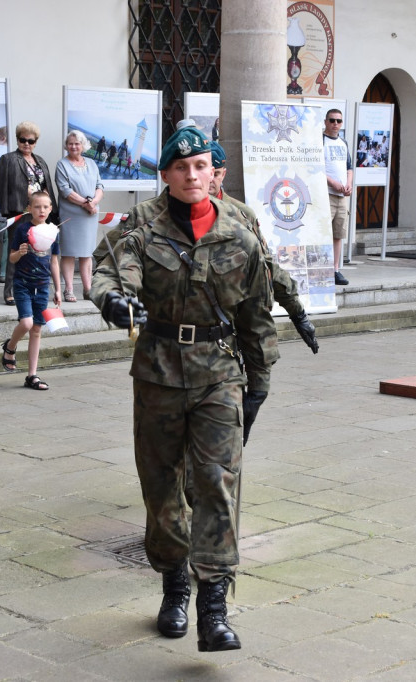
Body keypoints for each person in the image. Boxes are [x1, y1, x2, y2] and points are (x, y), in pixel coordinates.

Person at [89, 126, 279, 652]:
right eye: (181, 167)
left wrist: (259, 380)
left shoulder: (239, 236)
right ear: (167, 174)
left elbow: (257, 314)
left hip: (220, 373)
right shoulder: (142, 227)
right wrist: (114, 301)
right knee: (162, 489)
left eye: (200, 166)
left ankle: (213, 609)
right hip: (158, 375)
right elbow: (113, 271)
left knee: (217, 483)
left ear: (212, 172)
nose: (192, 175)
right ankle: (174, 586)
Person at [207, 139, 318, 354]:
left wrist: (298, 313)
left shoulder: (241, 214)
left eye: (216, 173)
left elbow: (266, 264)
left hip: (231, 320)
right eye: (206, 172)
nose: (210, 180)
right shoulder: (166, 216)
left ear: (223, 174)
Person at [0, 191, 61, 390]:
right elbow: (11, 258)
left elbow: (54, 261)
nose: (41, 210)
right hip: (23, 284)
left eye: (45, 207)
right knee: (26, 323)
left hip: (42, 286)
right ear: (29, 209)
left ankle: (32, 375)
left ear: (50, 209)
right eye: (37, 206)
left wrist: (58, 289)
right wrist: (20, 252)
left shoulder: (53, 231)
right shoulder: (22, 229)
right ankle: (10, 346)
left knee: (36, 329)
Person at [0, 122, 57, 305]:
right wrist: (25, 194)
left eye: (31, 141)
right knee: (16, 251)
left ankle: (32, 288)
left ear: (36, 142)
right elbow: (3, 188)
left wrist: (47, 203)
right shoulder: (8, 159)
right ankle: (10, 290)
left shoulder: (40, 160)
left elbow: (47, 185)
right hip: (19, 212)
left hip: (40, 213)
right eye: (23, 140)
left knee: (37, 252)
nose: (27, 144)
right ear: (17, 139)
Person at [55, 130, 103, 302]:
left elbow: (99, 186)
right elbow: (65, 190)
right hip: (71, 214)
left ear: (83, 145)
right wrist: (86, 203)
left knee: (86, 253)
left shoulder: (91, 163)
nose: (73, 146)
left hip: (90, 215)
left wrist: (93, 202)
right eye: (70, 143)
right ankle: (68, 289)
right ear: (66, 145)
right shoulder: (62, 164)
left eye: (77, 143)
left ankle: (88, 289)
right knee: (68, 253)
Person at [322, 109, 352, 286]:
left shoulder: (343, 142)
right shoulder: (321, 140)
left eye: (338, 121)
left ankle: (335, 269)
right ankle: (322, 268)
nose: (335, 124)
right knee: (324, 231)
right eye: (332, 120)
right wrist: (332, 182)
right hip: (326, 193)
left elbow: (349, 167)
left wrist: (348, 184)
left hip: (342, 196)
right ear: (325, 121)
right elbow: (316, 167)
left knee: (338, 234)